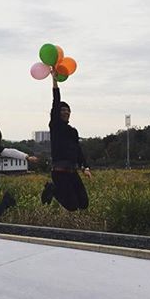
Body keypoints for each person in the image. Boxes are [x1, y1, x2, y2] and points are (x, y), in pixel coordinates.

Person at [41, 74, 92, 210]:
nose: (66, 112)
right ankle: (52, 189)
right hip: (59, 172)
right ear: (57, 113)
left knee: (84, 204)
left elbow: (78, 150)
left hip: (72, 171)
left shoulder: (73, 131)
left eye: (67, 110)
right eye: (62, 110)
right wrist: (55, 82)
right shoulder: (55, 126)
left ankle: (54, 189)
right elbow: (56, 101)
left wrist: (85, 167)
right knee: (72, 206)